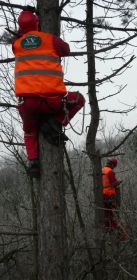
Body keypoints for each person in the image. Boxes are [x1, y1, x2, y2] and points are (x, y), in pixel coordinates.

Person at [12, 10, 85, 178]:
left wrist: (21, 34)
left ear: (20, 28)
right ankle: (55, 121)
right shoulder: (50, 40)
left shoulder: (17, 44)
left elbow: (19, 43)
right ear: (37, 23)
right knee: (79, 99)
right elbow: (66, 49)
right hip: (53, 102)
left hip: (29, 104)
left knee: (29, 130)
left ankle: (34, 163)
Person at [102, 157, 122, 230]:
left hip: (102, 195)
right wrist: (119, 182)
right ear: (113, 165)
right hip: (110, 196)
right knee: (113, 213)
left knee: (106, 213)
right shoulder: (110, 172)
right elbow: (113, 184)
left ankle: (107, 227)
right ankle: (114, 228)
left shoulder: (102, 170)